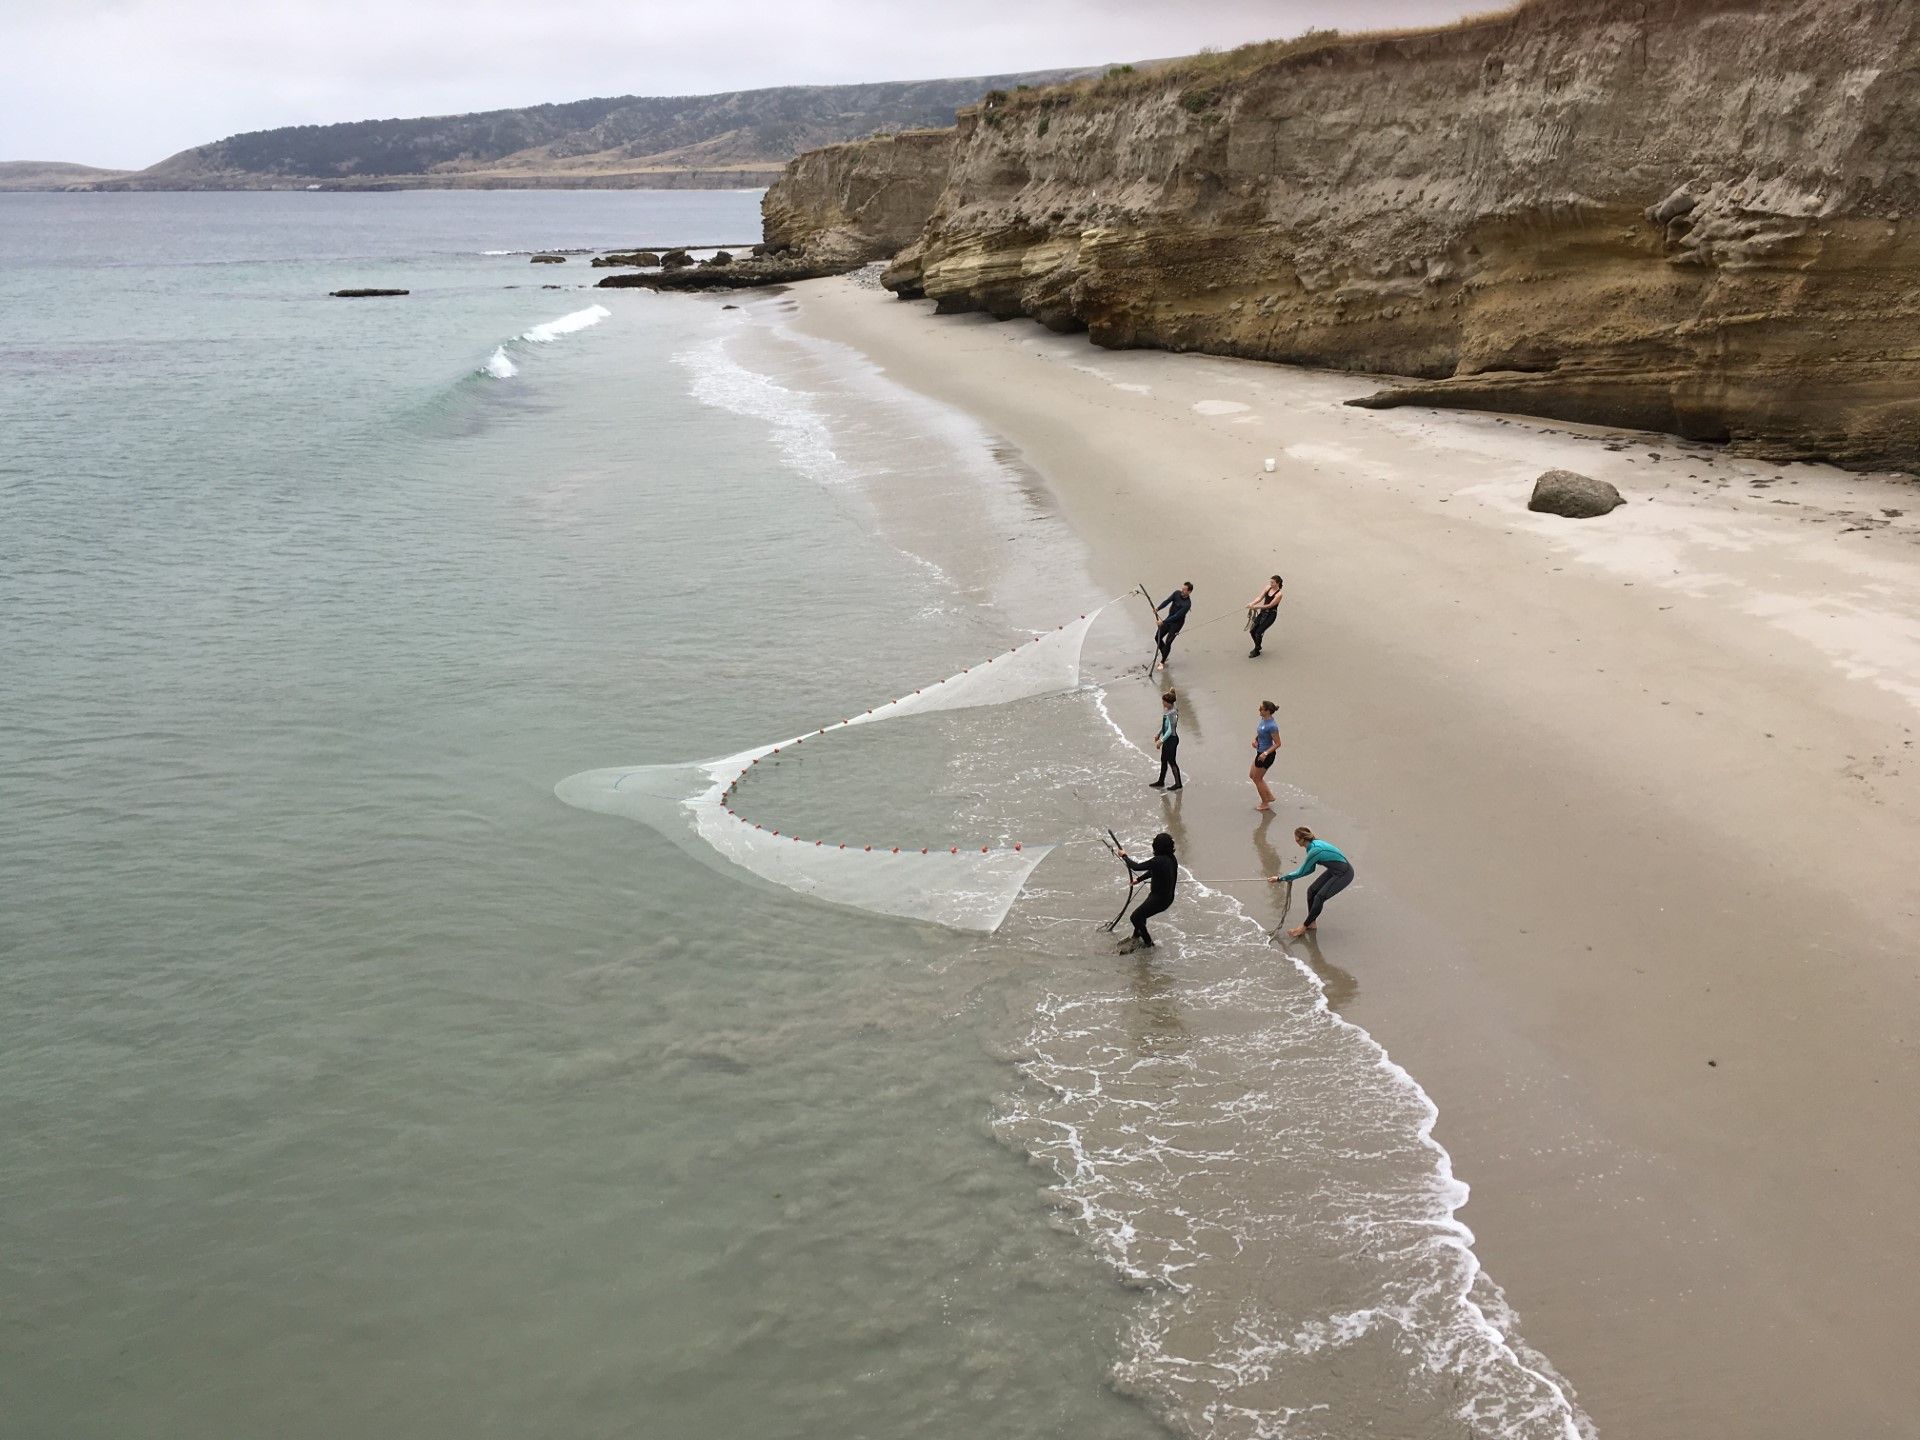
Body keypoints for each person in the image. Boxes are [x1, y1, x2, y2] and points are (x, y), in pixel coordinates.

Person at [1269, 827, 1354, 937]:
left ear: (1303, 839)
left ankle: (1303, 927)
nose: (1296, 842)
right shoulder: (1312, 846)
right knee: (1312, 891)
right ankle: (1311, 923)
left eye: (1297, 840)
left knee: (1320, 897)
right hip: (1335, 870)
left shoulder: (1315, 850)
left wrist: (1281, 879)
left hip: (1344, 873)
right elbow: (1310, 869)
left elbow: (1301, 871)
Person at [1116, 831, 1178, 950]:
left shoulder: (1158, 860)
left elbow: (1135, 866)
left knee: (1134, 917)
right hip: (1166, 897)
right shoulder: (1171, 858)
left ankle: (1148, 943)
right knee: (1141, 915)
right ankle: (1136, 935)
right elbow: (1153, 871)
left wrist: (1124, 856)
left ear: (1156, 847)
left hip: (1159, 899)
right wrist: (1139, 879)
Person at [1248, 701, 1281, 812]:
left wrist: (1265, 753)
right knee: (1252, 775)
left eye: (1261, 708)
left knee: (1257, 778)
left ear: (1267, 711)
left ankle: (1265, 803)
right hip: (1260, 752)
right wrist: (1255, 740)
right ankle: (1269, 796)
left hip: (1267, 755)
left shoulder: (1272, 726)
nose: (1259, 710)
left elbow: (1278, 743)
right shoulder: (1263, 720)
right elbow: (1261, 733)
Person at [1152, 582, 1193, 669]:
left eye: (1184, 590)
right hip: (1169, 619)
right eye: (1182, 588)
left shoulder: (1187, 604)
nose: (1182, 590)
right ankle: (1165, 654)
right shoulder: (1176, 593)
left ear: (1189, 592)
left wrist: (1163, 622)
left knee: (1168, 642)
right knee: (1157, 637)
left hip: (1177, 624)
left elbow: (1177, 616)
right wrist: (1158, 608)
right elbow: (1167, 601)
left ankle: (1162, 662)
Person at [1148, 689, 1182, 790]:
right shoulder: (1168, 711)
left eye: (1163, 701)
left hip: (1172, 740)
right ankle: (1161, 781)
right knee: (1163, 760)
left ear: (1168, 702)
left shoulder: (1172, 713)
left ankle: (1178, 783)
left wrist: (1161, 741)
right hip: (1167, 740)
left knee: (1172, 762)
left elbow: (1170, 730)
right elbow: (1165, 726)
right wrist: (1158, 734)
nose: (1162, 703)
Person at [1245, 574, 1283, 658]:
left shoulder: (1279, 594)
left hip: (1271, 615)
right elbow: (1259, 597)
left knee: (1258, 632)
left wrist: (1256, 607)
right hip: (1263, 613)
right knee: (1252, 631)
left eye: (1272, 582)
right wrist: (1252, 603)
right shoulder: (1267, 587)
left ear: (1278, 583)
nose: (1271, 584)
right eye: (1270, 582)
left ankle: (1256, 650)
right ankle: (1258, 646)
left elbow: (1269, 605)